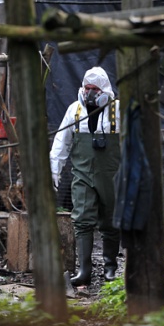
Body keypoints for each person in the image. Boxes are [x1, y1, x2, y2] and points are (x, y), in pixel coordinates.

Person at [49, 66, 121, 286]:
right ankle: (84, 271)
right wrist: (53, 173)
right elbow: (60, 144)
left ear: (104, 90)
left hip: (112, 176)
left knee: (110, 221)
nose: (89, 93)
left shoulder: (118, 111)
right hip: (82, 175)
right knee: (81, 219)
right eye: (86, 88)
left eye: (94, 88)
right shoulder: (74, 111)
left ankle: (110, 268)